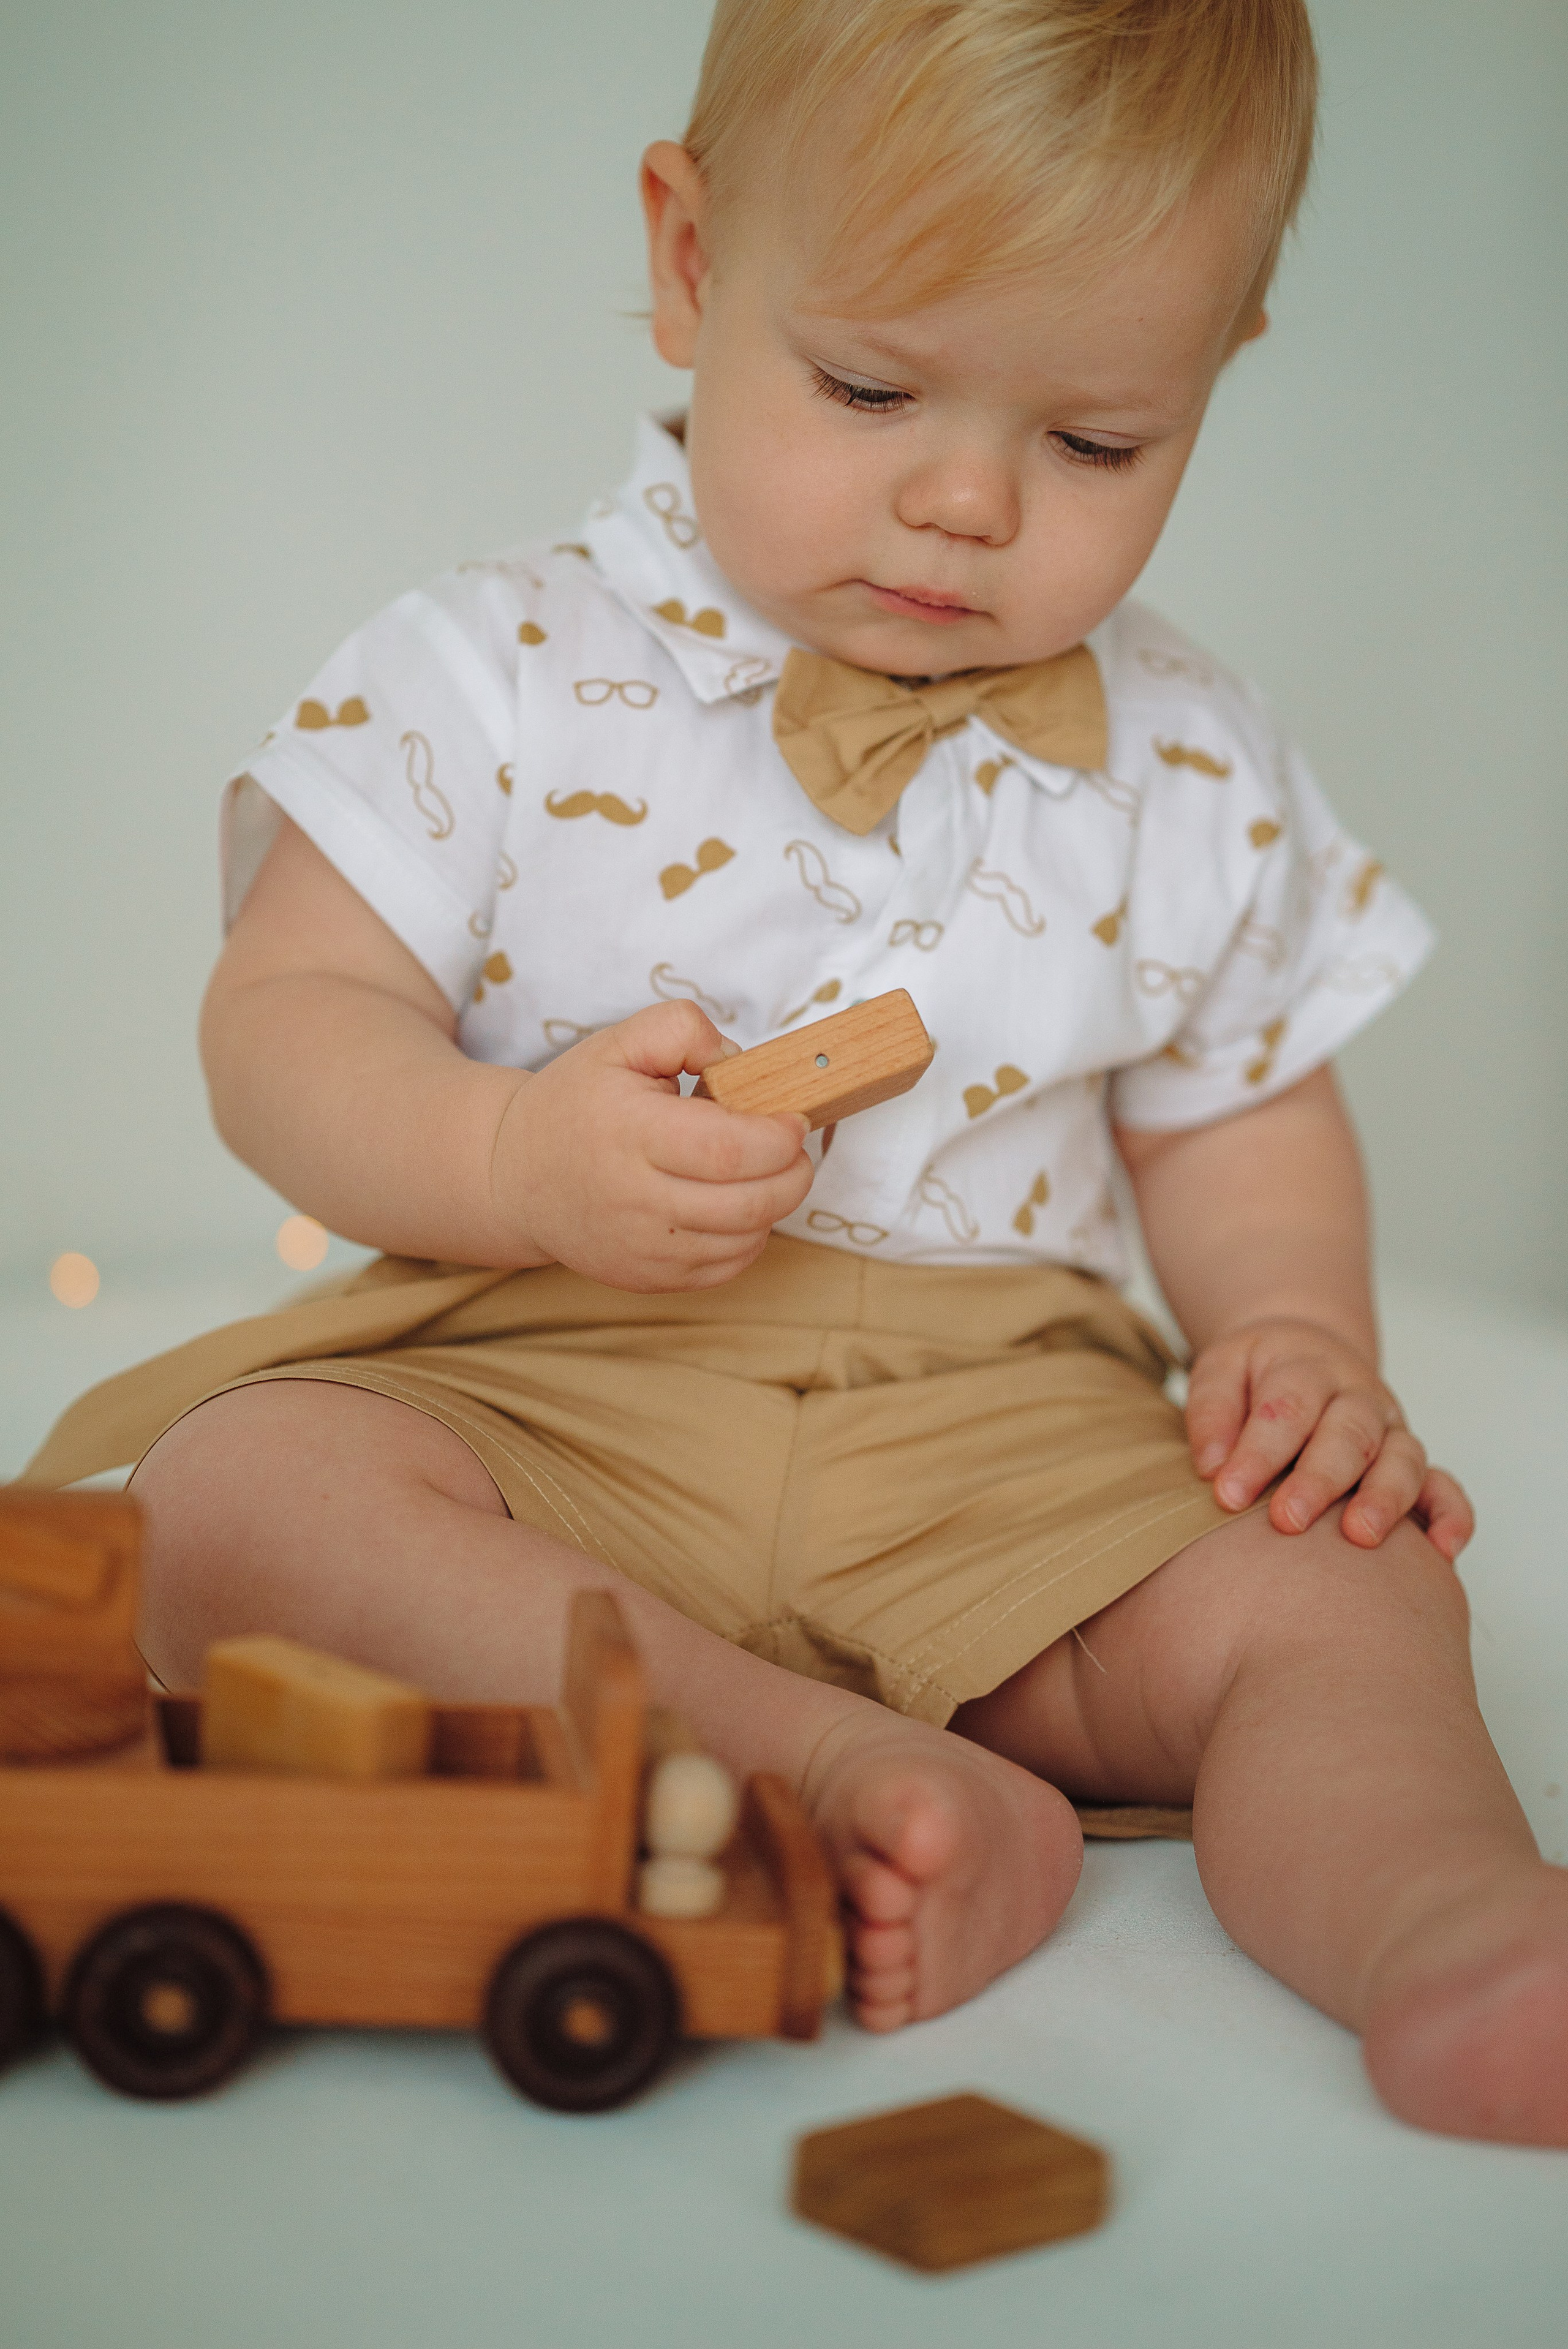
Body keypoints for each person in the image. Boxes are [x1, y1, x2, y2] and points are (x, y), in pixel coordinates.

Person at [25, 0, 1567, 2145]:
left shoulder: (1194, 753)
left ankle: (1454, 1929)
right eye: (869, 388)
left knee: (1349, 1588)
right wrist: (508, 1149)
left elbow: (1242, 1105)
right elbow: (281, 1023)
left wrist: (1300, 1338)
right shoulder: (493, 665)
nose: (963, 501)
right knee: (240, 1500)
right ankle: (844, 1768)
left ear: (1219, 370)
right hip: (550, 1377)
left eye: (1094, 442)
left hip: (998, 1434)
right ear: (689, 258)